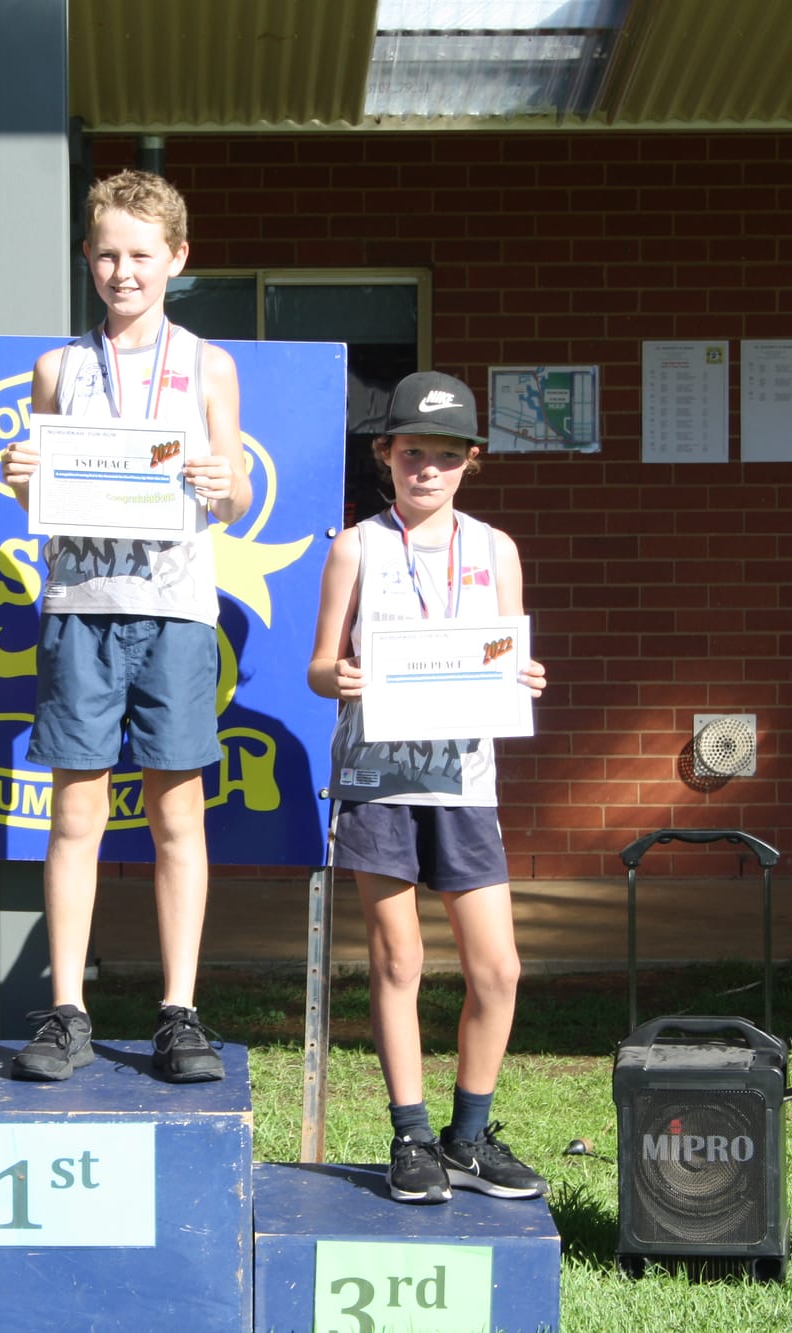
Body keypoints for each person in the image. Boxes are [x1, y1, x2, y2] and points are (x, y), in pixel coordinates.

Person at [0, 169, 250, 1083]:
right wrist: (24, 472)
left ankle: (179, 1009)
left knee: (179, 814)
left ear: (177, 259)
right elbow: (39, 492)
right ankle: (66, 1007)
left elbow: (239, 493)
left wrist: (230, 486)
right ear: (87, 258)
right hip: (81, 609)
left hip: (178, 610)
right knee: (76, 813)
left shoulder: (210, 363)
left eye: (141, 254)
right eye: (106, 252)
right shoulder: (59, 368)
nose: (122, 269)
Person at [306, 371, 550, 1205]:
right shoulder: (358, 546)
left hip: (464, 782)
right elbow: (317, 666)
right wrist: (338, 676)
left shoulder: (496, 549)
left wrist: (523, 675)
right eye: (414, 452)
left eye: (448, 456)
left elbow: (507, 656)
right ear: (386, 453)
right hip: (378, 778)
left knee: (498, 969)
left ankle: (468, 1138)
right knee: (398, 957)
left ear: (470, 461)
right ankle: (411, 1134)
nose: (429, 470)